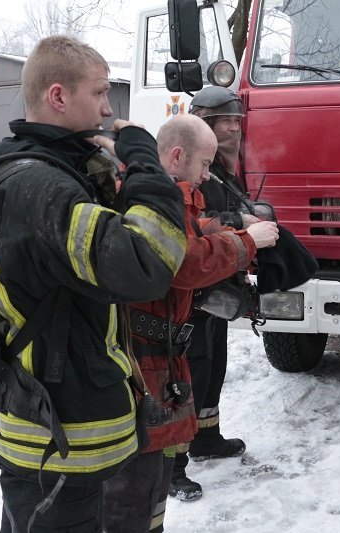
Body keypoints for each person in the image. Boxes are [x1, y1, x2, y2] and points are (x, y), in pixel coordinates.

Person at [0, 35, 189, 532]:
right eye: (98, 93)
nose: (108, 107)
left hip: (44, 425)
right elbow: (148, 261)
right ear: (58, 97)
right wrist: (144, 157)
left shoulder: (25, 170)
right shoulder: (39, 187)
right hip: (60, 439)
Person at [102, 114, 279, 532]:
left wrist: (230, 225)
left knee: (155, 476)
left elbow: (188, 234)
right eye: (204, 164)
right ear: (177, 155)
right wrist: (246, 242)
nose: (207, 175)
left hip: (162, 352)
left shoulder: (164, 197)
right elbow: (182, 261)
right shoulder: (150, 197)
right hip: (145, 357)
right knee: (137, 483)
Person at [168, 86, 257, 501]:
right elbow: (191, 226)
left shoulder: (222, 166)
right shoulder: (187, 168)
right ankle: (172, 467)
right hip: (190, 294)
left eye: (238, 122)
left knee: (212, 366)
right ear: (203, 120)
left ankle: (206, 437)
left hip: (216, 286)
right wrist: (238, 222)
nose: (235, 129)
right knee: (186, 376)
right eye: (226, 122)